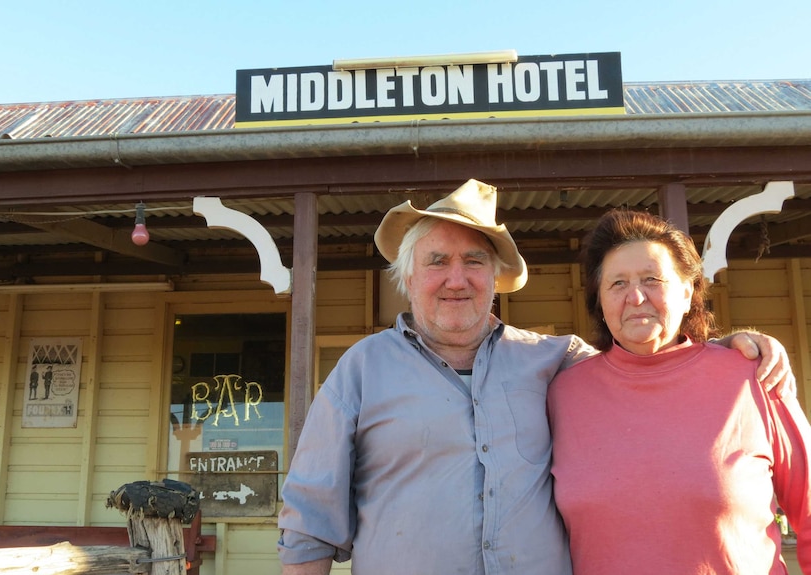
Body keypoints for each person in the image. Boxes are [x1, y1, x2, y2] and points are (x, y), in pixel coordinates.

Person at [278, 179, 793, 575]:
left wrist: (721, 351)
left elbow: (644, 364)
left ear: (495, 280)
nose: (457, 279)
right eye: (438, 261)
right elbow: (310, 521)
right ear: (409, 277)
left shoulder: (556, 360)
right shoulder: (361, 369)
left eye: (474, 261)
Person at [547, 208, 811, 574]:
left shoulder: (754, 378)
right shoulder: (561, 395)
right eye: (617, 283)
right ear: (599, 302)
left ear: (688, 292)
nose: (636, 297)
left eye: (652, 279)